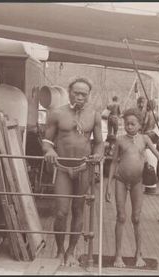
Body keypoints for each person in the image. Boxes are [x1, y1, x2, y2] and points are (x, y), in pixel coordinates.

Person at [43, 76, 104, 266]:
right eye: (76, 93)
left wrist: (98, 154)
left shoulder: (94, 114)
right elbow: (46, 141)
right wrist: (50, 150)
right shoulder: (56, 113)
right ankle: (60, 250)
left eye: (83, 94)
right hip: (63, 168)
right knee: (61, 212)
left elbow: (100, 143)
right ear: (69, 92)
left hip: (84, 168)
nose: (80, 97)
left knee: (78, 210)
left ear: (88, 96)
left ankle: (71, 251)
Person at [105, 108, 159, 268]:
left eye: (132, 124)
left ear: (139, 125)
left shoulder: (144, 139)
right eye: (127, 124)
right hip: (120, 181)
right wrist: (108, 186)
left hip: (137, 181)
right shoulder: (120, 140)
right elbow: (114, 162)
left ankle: (139, 254)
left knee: (136, 218)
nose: (129, 127)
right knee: (121, 217)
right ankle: (118, 255)